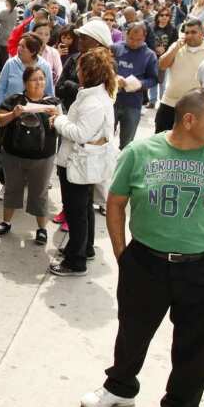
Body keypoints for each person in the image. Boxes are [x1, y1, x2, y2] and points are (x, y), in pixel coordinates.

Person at [83, 88, 204, 407]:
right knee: (132, 333)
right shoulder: (141, 153)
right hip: (146, 264)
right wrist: (122, 254)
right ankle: (120, 387)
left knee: (196, 349)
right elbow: (116, 203)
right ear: (189, 120)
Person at [47, 48, 116, 277]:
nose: (75, 69)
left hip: (77, 164)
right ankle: (84, 249)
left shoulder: (93, 101)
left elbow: (80, 133)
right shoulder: (95, 94)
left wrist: (58, 120)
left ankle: (75, 261)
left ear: (86, 71)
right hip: (82, 164)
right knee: (84, 208)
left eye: (79, 66)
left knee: (76, 213)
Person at [0, 66, 59, 245]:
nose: (39, 83)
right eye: (34, 79)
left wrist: (58, 116)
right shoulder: (15, 100)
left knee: (39, 192)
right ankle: (6, 222)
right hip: (13, 155)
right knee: (12, 188)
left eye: (41, 79)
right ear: (25, 83)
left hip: (42, 157)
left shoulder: (53, 102)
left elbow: (63, 127)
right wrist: (13, 114)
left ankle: (41, 228)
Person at [155, 19, 204, 133]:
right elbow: (162, 65)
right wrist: (176, 49)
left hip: (196, 106)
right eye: (187, 32)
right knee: (160, 138)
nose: (189, 36)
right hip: (170, 101)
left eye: (193, 32)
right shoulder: (176, 47)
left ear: (202, 33)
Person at [111, 23, 159, 149]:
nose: (134, 42)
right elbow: (105, 68)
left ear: (144, 38)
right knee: (106, 138)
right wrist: (114, 78)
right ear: (126, 34)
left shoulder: (149, 55)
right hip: (112, 100)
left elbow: (154, 79)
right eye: (131, 38)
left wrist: (140, 84)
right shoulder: (115, 49)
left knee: (127, 143)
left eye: (139, 40)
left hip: (133, 103)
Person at [0, 33, 52, 103]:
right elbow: (0, 88)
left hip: (36, 110)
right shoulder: (10, 63)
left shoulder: (45, 66)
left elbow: (49, 91)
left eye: (23, 47)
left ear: (33, 52)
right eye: (19, 45)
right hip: (11, 110)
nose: (19, 49)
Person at [146, 8, 179, 108]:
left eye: (167, 15)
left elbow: (175, 43)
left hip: (165, 57)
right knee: (153, 78)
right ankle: (152, 101)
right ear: (158, 16)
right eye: (162, 15)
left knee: (163, 81)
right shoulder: (151, 27)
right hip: (152, 57)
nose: (164, 17)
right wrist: (155, 48)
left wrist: (166, 51)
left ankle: (163, 101)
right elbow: (147, 41)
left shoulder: (172, 29)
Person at [0, 0, 18, 72]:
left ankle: (5, 70)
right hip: (11, 33)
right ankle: (10, 69)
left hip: (3, 34)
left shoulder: (4, 12)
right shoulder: (16, 11)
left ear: (8, 3)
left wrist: (2, 21)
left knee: (3, 55)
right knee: (10, 54)